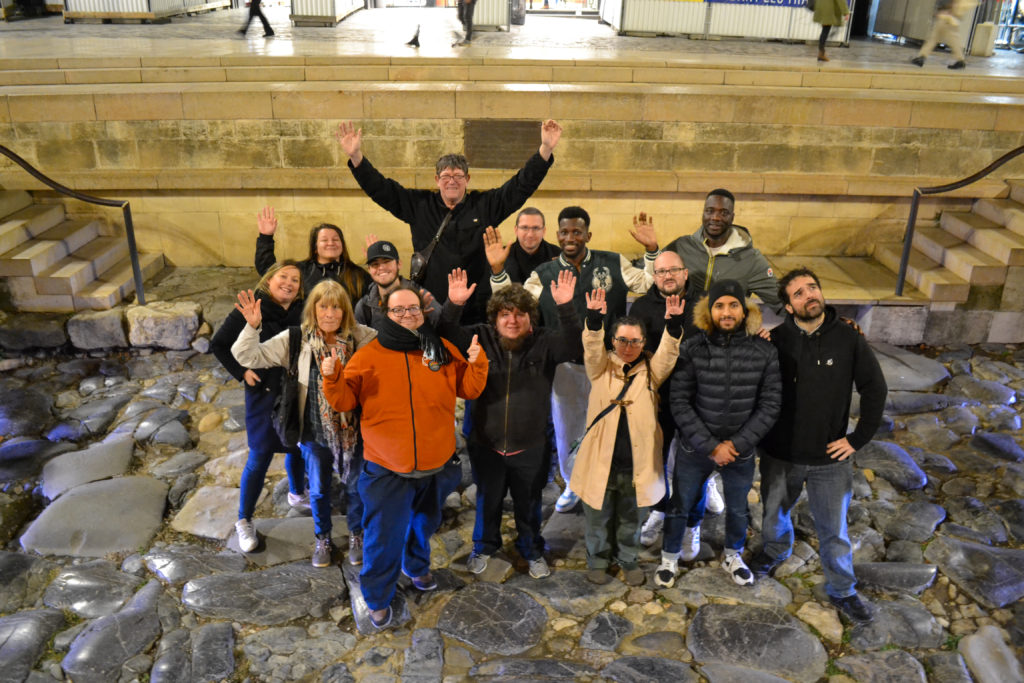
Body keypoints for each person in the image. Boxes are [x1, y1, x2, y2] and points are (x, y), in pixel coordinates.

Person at [321, 287, 488, 630]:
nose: (408, 314)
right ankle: (377, 597)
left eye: (414, 308)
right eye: (399, 311)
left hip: (436, 463)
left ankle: (416, 566)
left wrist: (477, 363)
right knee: (383, 536)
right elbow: (343, 402)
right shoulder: (369, 356)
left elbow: (468, 389)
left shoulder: (439, 348)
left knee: (424, 524)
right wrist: (332, 377)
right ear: (386, 314)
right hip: (386, 468)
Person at [489, 205, 659, 512]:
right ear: (557, 235)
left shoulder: (612, 262)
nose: (571, 237)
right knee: (567, 429)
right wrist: (499, 272)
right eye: (565, 232)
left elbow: (647, 283)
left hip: (607, 364)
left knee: (607, 427)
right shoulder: (544, 274)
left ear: (587, 235)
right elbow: (514, 303)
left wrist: (651, 250)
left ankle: (605, 482)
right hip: (564, 367)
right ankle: (572, 483)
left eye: (577, 232)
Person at [749, 268, 887, 624]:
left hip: (830, 459)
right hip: (781, 455)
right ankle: (777, 550)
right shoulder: (775, 341)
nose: (808, 295)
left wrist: (857, 439)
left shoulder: (848, 337)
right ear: (788, 306)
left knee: (834, 531)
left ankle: (843, 589)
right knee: (773, 513)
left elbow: (874, 388)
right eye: (797, 293)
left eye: (812, 287)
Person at [336, 119, 561, 324]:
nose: (451, 181)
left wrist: (545, 149)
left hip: (478, 310)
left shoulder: (485, 205)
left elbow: (520, 186)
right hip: (432, 308)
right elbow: (381, 189)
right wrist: (356, 157)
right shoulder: (419, 205)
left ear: (467, 180)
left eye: (458, 176)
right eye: (445, 176)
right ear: (437, 180)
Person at [438, 268, 581, 580]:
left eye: (520, 314)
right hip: (485, 443)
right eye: (505, 314)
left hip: (530, 445)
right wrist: (453, 303)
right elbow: (446, 332)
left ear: (531, 318)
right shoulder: (480, 337)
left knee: (529, 505)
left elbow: (574, 346)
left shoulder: (544, 342)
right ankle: (484, 546)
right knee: (486, 500)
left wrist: (566, 307)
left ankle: (531, 550)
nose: (512, 321)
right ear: (494, 318)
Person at [231, 280, 377, 568]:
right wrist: (252, 327)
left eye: (337, 307)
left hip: (354, 431)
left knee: (354, 487)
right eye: (324, 306)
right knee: (320, 490)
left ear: (345, 310)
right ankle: (322, 537)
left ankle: (356, 534)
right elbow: (247, 356)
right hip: (313, 432)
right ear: (314, 309)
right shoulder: (296, 339)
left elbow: (390, 351)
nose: (330, 314)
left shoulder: (362, 337)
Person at [662, 279, 781, 588]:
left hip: (741, 449)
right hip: (696, 447)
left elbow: (770, 404)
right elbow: (679, 400)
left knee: (738, 507)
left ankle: (732, 554)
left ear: (744, 310)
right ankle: (670, 557)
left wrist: (738, 444)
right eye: (719, 306)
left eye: (733, 305)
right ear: (709, 311)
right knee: (680, 503)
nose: (726, 312)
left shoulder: (764, 351)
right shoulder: (691, 348)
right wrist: (711, 445)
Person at [574, 288, 684, 586]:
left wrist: (673, 326)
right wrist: (594, 320)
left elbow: (668, 354)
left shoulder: (651, 371)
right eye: (622, 340)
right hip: (601, 461)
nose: (628, 346)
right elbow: (592, 348)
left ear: (643, 342)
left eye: (635, 341)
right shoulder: (600, 367)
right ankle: (598, 558)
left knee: (631, 518)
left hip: (637, 463)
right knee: (598, 517)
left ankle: (627, 558)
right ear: (613, 341)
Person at [630, 250, 724, 556]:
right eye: (660, 272)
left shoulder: (707, 302)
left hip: (700, 400)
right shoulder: (643, 306)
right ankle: (659, 509)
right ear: (654, 277)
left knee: (693, 466)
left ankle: (690, 525)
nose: (667, 276)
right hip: (660, 398)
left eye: (674, 270)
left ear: (685, 273)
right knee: (656, 462)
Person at [211, 261, 308, 553]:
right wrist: (241, 372)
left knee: (297, 444)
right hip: (263, 393)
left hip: (296, 391)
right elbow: (219, 344)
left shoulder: (303, 310)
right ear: (270, 279)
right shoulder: (254, 306)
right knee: (261, 454)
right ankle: (244, 519)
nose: (289, 283)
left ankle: (297, 493)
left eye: (295, 279)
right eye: (283, 276)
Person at [663, 189, 780, 311]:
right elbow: (651, 274)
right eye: (710, 211)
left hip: (727, 327)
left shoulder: (752, 260)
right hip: (683, 326)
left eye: (724, 213)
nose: (715, 218)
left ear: (732, 217)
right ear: (703, 213)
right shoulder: (682, 246)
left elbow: (781, 302)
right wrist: (651, 249)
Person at [254, 206, 371, 303]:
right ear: (315, 247)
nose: (331, 243)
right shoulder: (299, 270)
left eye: (336, 240)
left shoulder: (358, 274)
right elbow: (268, 270)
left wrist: (377, 262)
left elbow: (377, 296)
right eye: (324, 240)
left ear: (342, 245)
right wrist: (266, 238)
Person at [354, 239, 439, 328]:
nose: (381, 267)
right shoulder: (364, 307)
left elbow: (444, 328)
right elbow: (360, 340)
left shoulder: (420, 296)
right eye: (375, 264)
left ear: (399, 264)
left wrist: (452, 304)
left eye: (386, 261)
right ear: (369, 270)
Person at [487, 207, 560, 285]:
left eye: (536, 228)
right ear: (516, 230)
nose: (530, 235)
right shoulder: (499, 257)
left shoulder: (558, 255)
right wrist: (497, 268)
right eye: (525, 228)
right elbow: (487, 295)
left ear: (544, 231)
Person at [910, 0, 978, 70]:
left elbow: (952, 3)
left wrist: (946, 10)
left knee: (936, 39)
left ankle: (922, 57)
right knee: (946, 39)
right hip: (949, 17)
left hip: (947, 17)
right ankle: (922, 57)